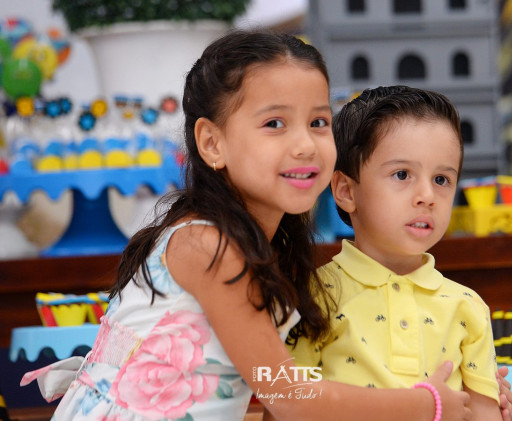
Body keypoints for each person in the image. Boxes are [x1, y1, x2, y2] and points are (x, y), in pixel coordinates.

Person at [23, 30, 482, 421]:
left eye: (318, 121)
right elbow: (289, 397)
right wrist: (425, 404)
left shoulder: (260, 244)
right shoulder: (210, 246)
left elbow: (283, 377)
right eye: (275, 123)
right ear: (212, 142)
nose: (305, 145)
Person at [288, 86, 512, 421]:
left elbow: (484, 415)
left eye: (441, 179)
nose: (427, 196)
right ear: (347, 191)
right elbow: (287, 406)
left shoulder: (468, 306)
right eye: (402, 175)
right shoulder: (313, 297)